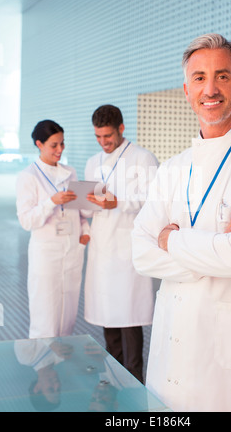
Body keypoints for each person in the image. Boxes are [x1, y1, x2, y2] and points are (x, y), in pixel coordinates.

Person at [131, 34, 231, 412]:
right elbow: (140, 253)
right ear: (187, 90)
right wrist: (215, 242)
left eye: (222, 75)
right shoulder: (171, 170)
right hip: (172, 351)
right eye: (200, 77)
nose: (211, 88)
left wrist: (171, 240)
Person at [84, 104, 159, 383]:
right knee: (108, 317)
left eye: (108, 137)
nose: (103, 143)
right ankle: (111, 381)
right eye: (98, 137)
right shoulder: (93, 162)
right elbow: (91, 202)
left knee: (129, 317)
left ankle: (135, 383)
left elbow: (154, 201)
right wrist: (84, 202)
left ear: (122, 129)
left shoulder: (143, 158)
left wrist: (119, 202)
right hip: (102, 248)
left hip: (128, 251)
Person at [16, 120, 90, 339]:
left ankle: (62, 365)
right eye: (54, 145)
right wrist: (51, 201)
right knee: (45, 315)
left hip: (72, 251)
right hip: (46, 255)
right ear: (39, 144)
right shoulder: (28, 176)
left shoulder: (70, 172)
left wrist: (85, 232)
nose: (60, 150)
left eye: (62, 144)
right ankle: (44, 371)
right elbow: (27, 221)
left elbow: (77, 210)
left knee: (68, 316)